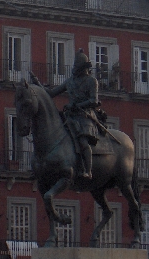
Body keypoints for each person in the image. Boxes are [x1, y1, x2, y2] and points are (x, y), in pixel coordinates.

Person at [42, 49, 103, 179]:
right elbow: (53, 93)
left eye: (77, 66)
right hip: (70, 116)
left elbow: (94, 100)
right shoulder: (70, 81)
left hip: (85, 116)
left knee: (82, 141)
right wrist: (39, 87)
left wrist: (76, 105)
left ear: (83, 68)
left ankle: (88, 170)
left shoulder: (91, 81)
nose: (74, 69)